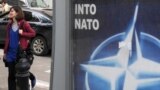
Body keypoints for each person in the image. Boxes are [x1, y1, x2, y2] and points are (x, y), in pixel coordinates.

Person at [3, 6, 36, 90]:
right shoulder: (9, 25)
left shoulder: (23, 23)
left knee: (20, 74)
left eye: (12, 11)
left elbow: (33, 33)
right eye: (10, 11)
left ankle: (30, 78)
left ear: (17, 13)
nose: (10, 12)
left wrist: (23, 33)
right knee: (11, 75)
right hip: (10, 53)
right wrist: (5, 52)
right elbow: (7, 39)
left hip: (19, 54)